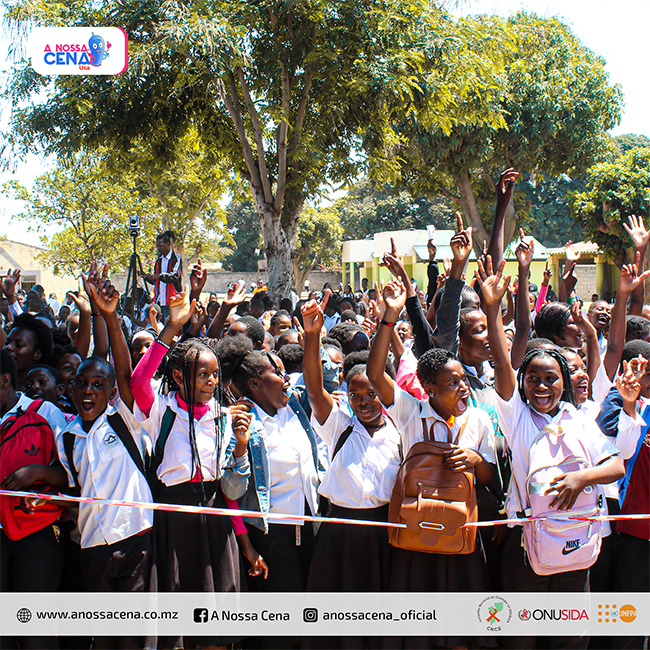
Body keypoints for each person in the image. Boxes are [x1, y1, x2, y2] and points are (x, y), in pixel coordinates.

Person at [476, 256, 624, 650]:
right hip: (526, 548)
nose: (542, 387)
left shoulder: (578, 419)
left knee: (569, 638)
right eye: (533, 380)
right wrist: (493, 313)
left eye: (551, 379)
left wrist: (581, 478)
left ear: (566, 383)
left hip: (576, 548)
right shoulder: (517, 418)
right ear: (522, 384)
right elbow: (504, 368)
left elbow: (615, 466)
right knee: (520, 640)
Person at [367, 279, 497, 650]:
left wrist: (473, 461)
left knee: (460, 627)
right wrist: (389, 317)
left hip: (460, 529)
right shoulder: (411, 412)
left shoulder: (478, 420)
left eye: (463, 381)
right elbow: (376, 377)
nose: (463, 388)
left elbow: (490, 477)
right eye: (451, 383)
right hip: (416, 531)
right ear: (428, 387)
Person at [129, 291, 252, 649]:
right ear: (180, 376)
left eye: (215, 375)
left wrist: (241, 447)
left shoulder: (221, 416)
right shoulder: (162, 409)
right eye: (203, 374)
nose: (211, 382)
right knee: (177, 612)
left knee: (216, 620)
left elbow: (230, 484)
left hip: (213, 514)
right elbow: (138, 381)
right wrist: (172, 327)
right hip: (174, 515)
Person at [301, 292, 400, 616]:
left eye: (371, 393)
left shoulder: (400, 433)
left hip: (382, 536)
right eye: (355, 395)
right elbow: (315, 391)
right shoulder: (340, 427)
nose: (364, 401)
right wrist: (313, 337)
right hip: (339, 534)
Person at [0, 349, 68, 650]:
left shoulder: (43, 413)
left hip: (35, 534)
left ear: (4, 380)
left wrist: (37, 473)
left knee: (32, 630)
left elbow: (72, 473)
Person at [142, 230, 182, 321]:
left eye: (160, 245)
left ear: (167, 244)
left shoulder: (175, 258)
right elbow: (156, 282)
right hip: (159, 300)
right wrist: (147, 276)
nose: (158, 248)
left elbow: (175, 276)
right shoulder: (159, 261)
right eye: (157, 246)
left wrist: (159, 276)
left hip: (172, 300)